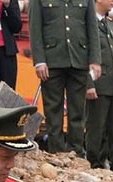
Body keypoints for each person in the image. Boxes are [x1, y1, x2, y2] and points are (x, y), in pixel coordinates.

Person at [29, 0, 100, 154]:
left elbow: (92, 28)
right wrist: (39, 60)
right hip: (52, 61)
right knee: (53, 112)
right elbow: (35, 28)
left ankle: (76, 152)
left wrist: (95, 59)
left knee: (78, 112)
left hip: (78, 60)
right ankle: (57, 153)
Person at [85, 0, 113, 171]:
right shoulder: (88, 23)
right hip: (98, 85)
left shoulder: (109, 23)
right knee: (96, 128)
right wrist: (89, 83)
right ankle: (95, 164)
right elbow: (85, 54)